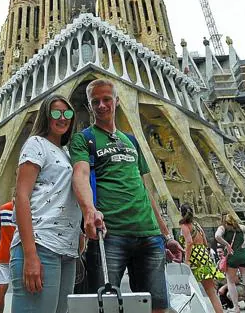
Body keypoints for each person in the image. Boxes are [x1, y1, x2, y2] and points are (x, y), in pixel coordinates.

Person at [70, 79, 183, 313]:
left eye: (106, 99)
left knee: (157, 306)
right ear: (89, 106)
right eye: (95, 102)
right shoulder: (84, 139)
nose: (101, 105)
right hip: (110, 234)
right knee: (103, 306)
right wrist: (89, 211)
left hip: (149, 236)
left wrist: (165, 235)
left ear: (116, 101)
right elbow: (80, 174)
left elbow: (144, 189)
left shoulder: (131, 141)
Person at [11, 94, 81, 313]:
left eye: (67, 113)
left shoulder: (68, 154)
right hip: (41, 243)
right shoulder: (35, 144)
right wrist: (30, 255)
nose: (62, 118)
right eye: (56, 113)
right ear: (45, 116)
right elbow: (21, 197)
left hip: (66, 250)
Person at [177, 204, 225, 313]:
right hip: (204, 255)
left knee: (186, 288)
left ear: (181, 213)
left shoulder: (185, 226)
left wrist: (187, 260)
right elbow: (205, 241)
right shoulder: (196, 224)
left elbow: (189, 242)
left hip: (194, 258)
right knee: (211, 291)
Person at [215, 213, 245, 313]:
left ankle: (236, 307)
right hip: (244, 254)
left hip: (232, 255)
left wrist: (227, 244)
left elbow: (217, 236)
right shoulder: (240, 227)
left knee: (230, 282)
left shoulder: (223, 228)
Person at [0, 199, 15, 313]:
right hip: (19, 253)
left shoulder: (3, 208)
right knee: (20, 291)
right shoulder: (28, 208)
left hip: (3, 253)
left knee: (1, 290)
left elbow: (1, 230)